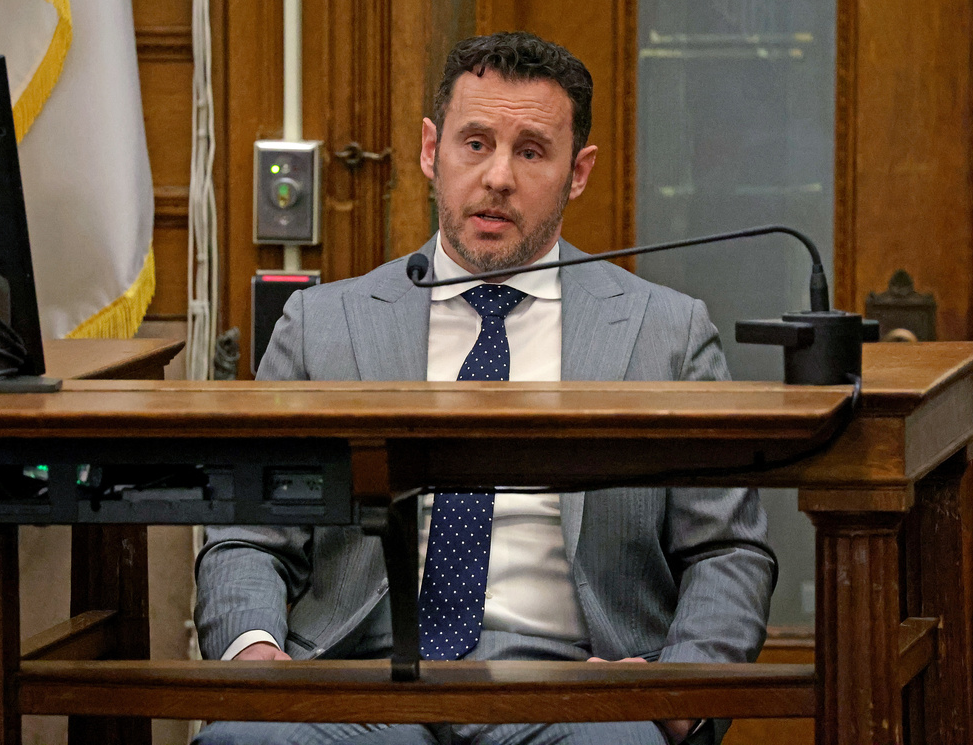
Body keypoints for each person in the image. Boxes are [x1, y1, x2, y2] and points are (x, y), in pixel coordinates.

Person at [194, 31, 776, 745]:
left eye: (531, 151)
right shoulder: (323, 325)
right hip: (354, 681)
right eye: (476, 143)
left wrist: (679, 690)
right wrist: (256, 655)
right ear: (431, 151)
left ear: (578, 171)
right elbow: (248, 534)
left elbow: (728, 551)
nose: (498, 176)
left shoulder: (667, 333)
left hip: (572, 691)